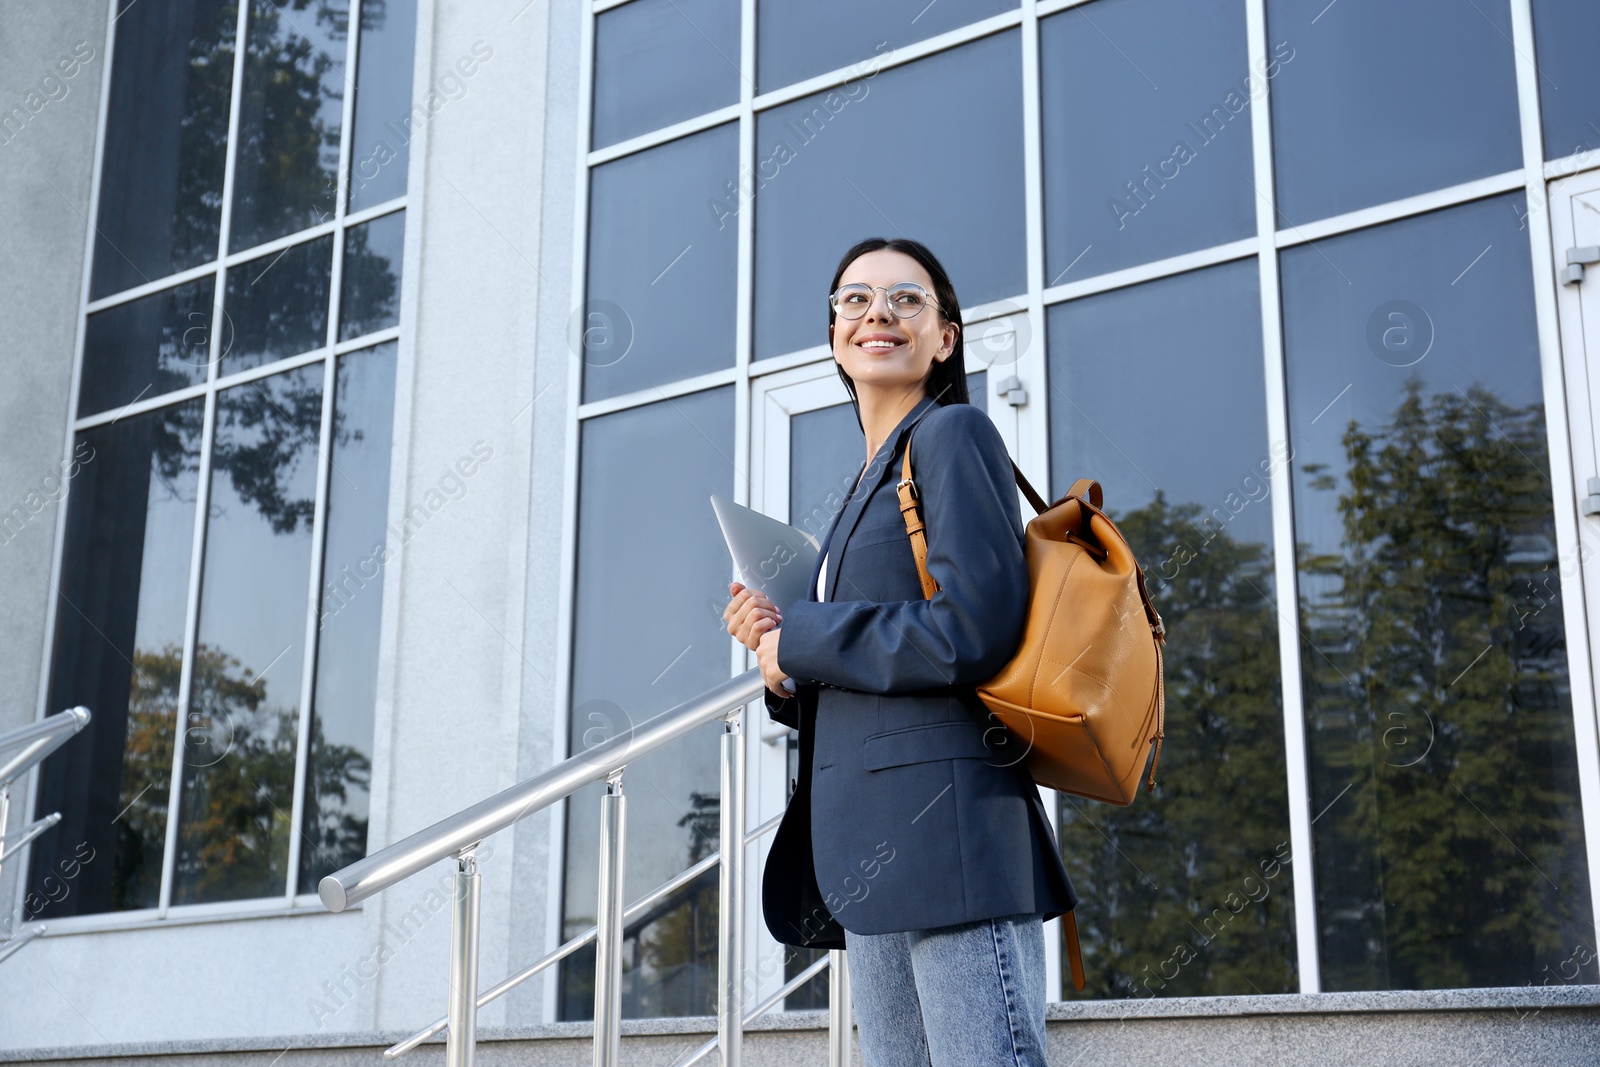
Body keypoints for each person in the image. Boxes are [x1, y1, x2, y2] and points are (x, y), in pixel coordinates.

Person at [723, 236, 1077, 1066]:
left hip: (949, 837)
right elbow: (865, 663)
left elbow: (973, 630)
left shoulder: (953, 435)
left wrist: (802, 635)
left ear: (945, 337)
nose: (877, 312)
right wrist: (779, 660)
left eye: (905, 299)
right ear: (836, 334)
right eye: (855, 299)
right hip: (867, 854)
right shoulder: (860, 486)